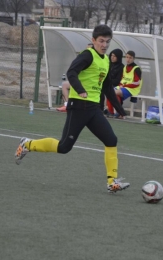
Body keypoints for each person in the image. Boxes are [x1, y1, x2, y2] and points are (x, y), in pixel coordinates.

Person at [14, 25, 130, 193]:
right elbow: (71, 73)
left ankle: (112, 182)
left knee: (111, 140)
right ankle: (27, 144)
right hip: (79, 107)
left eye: (107, 41)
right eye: (101, 41)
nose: (104, 45)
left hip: (93, 110)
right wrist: (81, 90)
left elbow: (106, 87)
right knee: (64, 147)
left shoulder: (105, 60)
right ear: (93, 40)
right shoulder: (87, 56)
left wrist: (120, 110)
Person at [57, 43, 94, 112]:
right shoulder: (83, 57)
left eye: (89, 49)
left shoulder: (93, 60)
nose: (87, 50)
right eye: (87, 49)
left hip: (88, 85)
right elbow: (72, 72)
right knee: (64, 84)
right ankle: (67, 104)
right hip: (79, 82)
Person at [107, 50, 142, 117]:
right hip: (124, 87)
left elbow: (137, 83)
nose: (128, 59)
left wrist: (124, 86)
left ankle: (120, 113)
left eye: (130, 58)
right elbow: (122, 79)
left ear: (133, 59)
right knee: (109, 92)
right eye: (127, 57)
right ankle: (111, 112)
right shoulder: (125, 67)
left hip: (132, 89)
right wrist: (120, 85)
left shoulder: (136, 68)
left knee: (113, 92)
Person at [100, 48, 124, 112]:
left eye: (114, 56)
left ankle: (112, 111)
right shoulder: (108, 64)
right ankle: (101, 108)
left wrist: (108, 81)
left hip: (114, 85)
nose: (112, 57)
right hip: (105, 83)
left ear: (118, 57)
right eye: (111, 55)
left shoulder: (121, 67)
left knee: (110, 92)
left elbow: (117, 80)